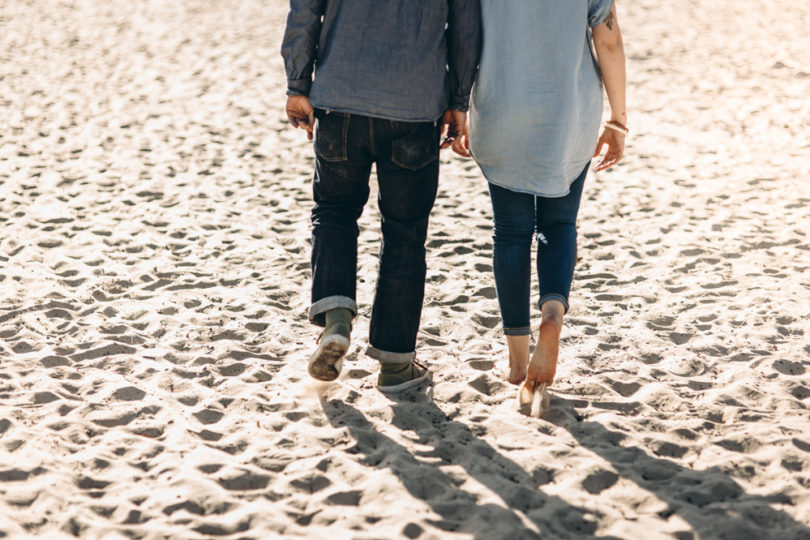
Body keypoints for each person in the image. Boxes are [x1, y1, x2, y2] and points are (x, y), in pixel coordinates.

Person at [281, 1, 481, 392]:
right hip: (415, 107)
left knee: (334, 213)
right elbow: (465, 28)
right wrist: (458, 100)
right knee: (405, 233)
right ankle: (395, 364)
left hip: (340, 97)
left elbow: (304, 11)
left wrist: (297, 85)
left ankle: (336, 319)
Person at [452, 1, 627, 394]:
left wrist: (458, 105)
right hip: (569, 111)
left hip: (502, 110)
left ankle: (516, 362)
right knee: (559, 224)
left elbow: (463, 35)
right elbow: (609, 41)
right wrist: (618, 120)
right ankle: (551, 314)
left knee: (511, 234)